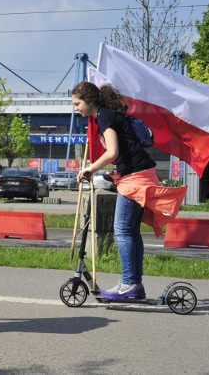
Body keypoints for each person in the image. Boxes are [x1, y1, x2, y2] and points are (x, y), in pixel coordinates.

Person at [71, 81, 158, 300]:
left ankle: (129, 284)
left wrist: (89, 169)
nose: (75, 108)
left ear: (89, 101)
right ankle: (135, 285)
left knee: (122, 230)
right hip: (142, 174)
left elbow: (112, 152)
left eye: (77, 103)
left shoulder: (104, 116)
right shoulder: (107, 114)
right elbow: (121, 153)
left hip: (135, 178)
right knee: (131, 231)